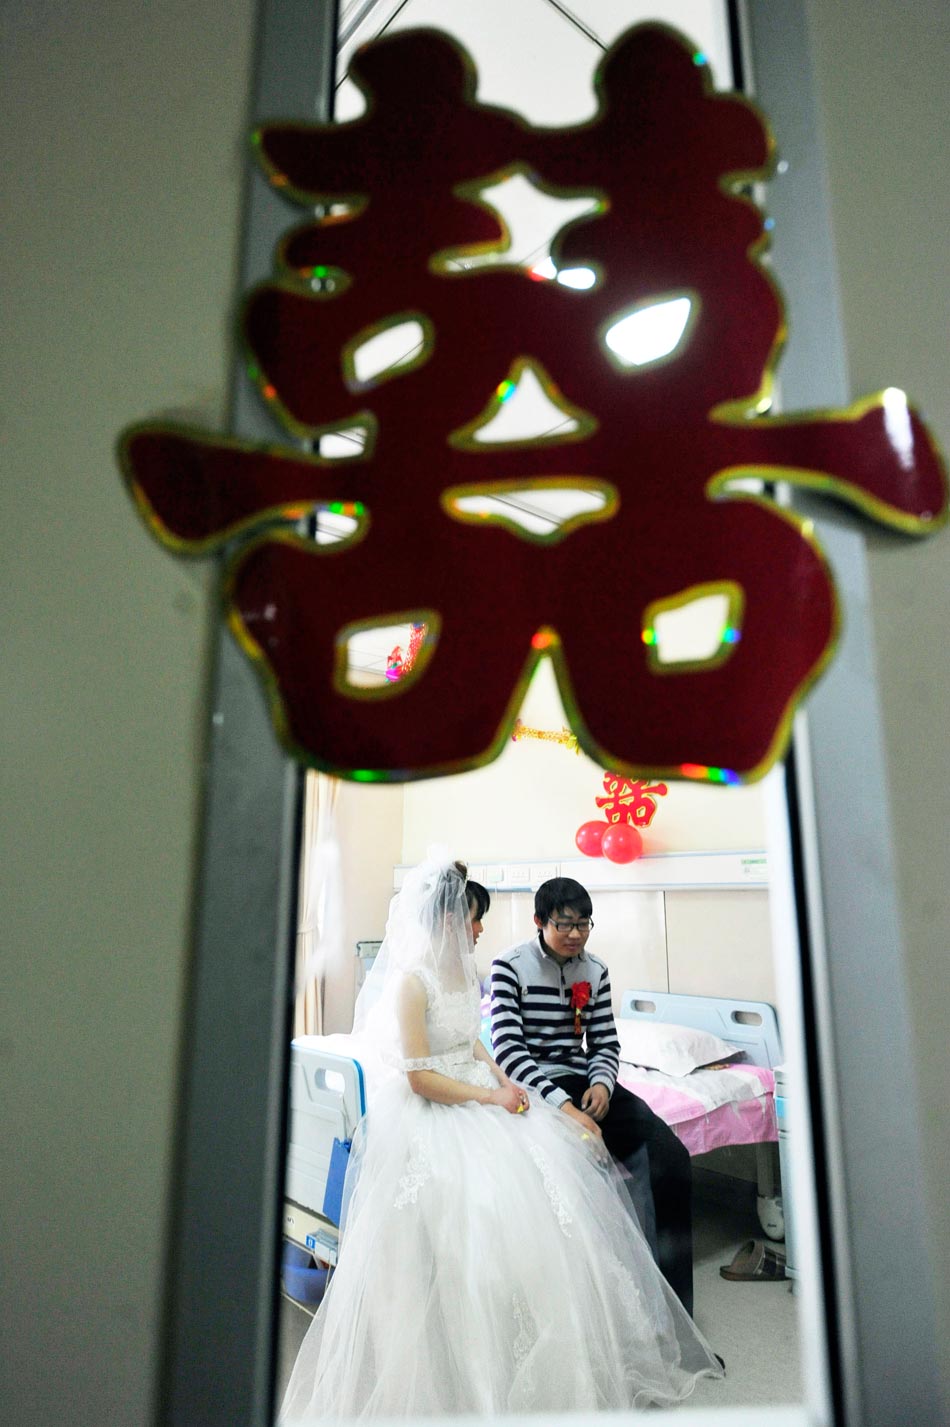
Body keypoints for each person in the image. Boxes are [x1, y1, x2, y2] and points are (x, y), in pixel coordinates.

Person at [278, 854, 722, 1421]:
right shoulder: (424, 983)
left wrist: (516, 1081)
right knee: (481, 1213)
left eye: (584, 924)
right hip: (441, 1102)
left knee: (580, 1181)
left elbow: (480, 1042)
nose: (482, 927)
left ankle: (650, 1322)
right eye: (475, 916)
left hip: (513, 1087)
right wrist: (505, 1094)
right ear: (448, 919)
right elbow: (426, 1073)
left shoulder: (480, 973)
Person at [490, 876, 694, 1314]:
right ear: (539, 922)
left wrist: (602, 1083)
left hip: (584, 1082)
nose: (575, 934)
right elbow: (508, 1050)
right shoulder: (509, 967)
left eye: (584, 924)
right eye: (564, 925)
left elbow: (604, 1043)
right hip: (534, 1086)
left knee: (670, 1158)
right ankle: (591, 1312)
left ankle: (673, 1313)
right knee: (574, 1172)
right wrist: (564, 1109)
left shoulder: (595, 969)